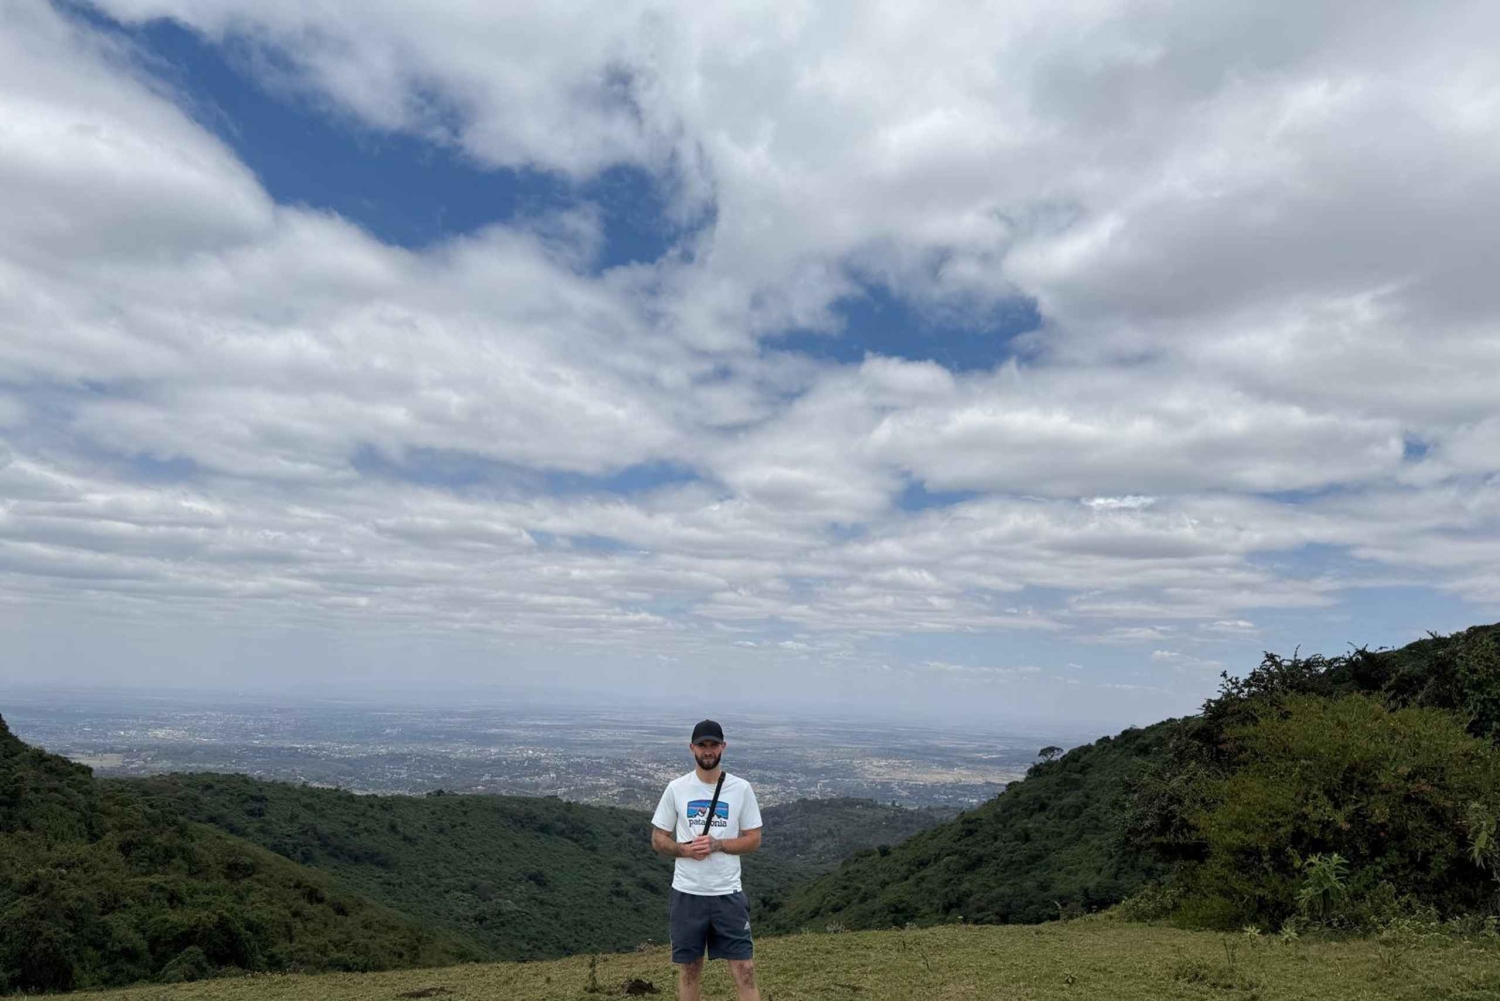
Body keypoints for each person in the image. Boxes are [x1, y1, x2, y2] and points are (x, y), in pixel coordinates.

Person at [651, 719, 763, 1001]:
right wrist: (684, 850)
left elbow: (753, 839)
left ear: (723, 746)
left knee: (745, 968)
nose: (708, 750)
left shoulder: (741, 789)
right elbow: (658, 838)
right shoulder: (677, 788)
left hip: (728, 892)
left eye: (714, 744)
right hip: (688, 892)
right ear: (692, 748)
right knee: (689, 969)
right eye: (703, 745)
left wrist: (719, 845)